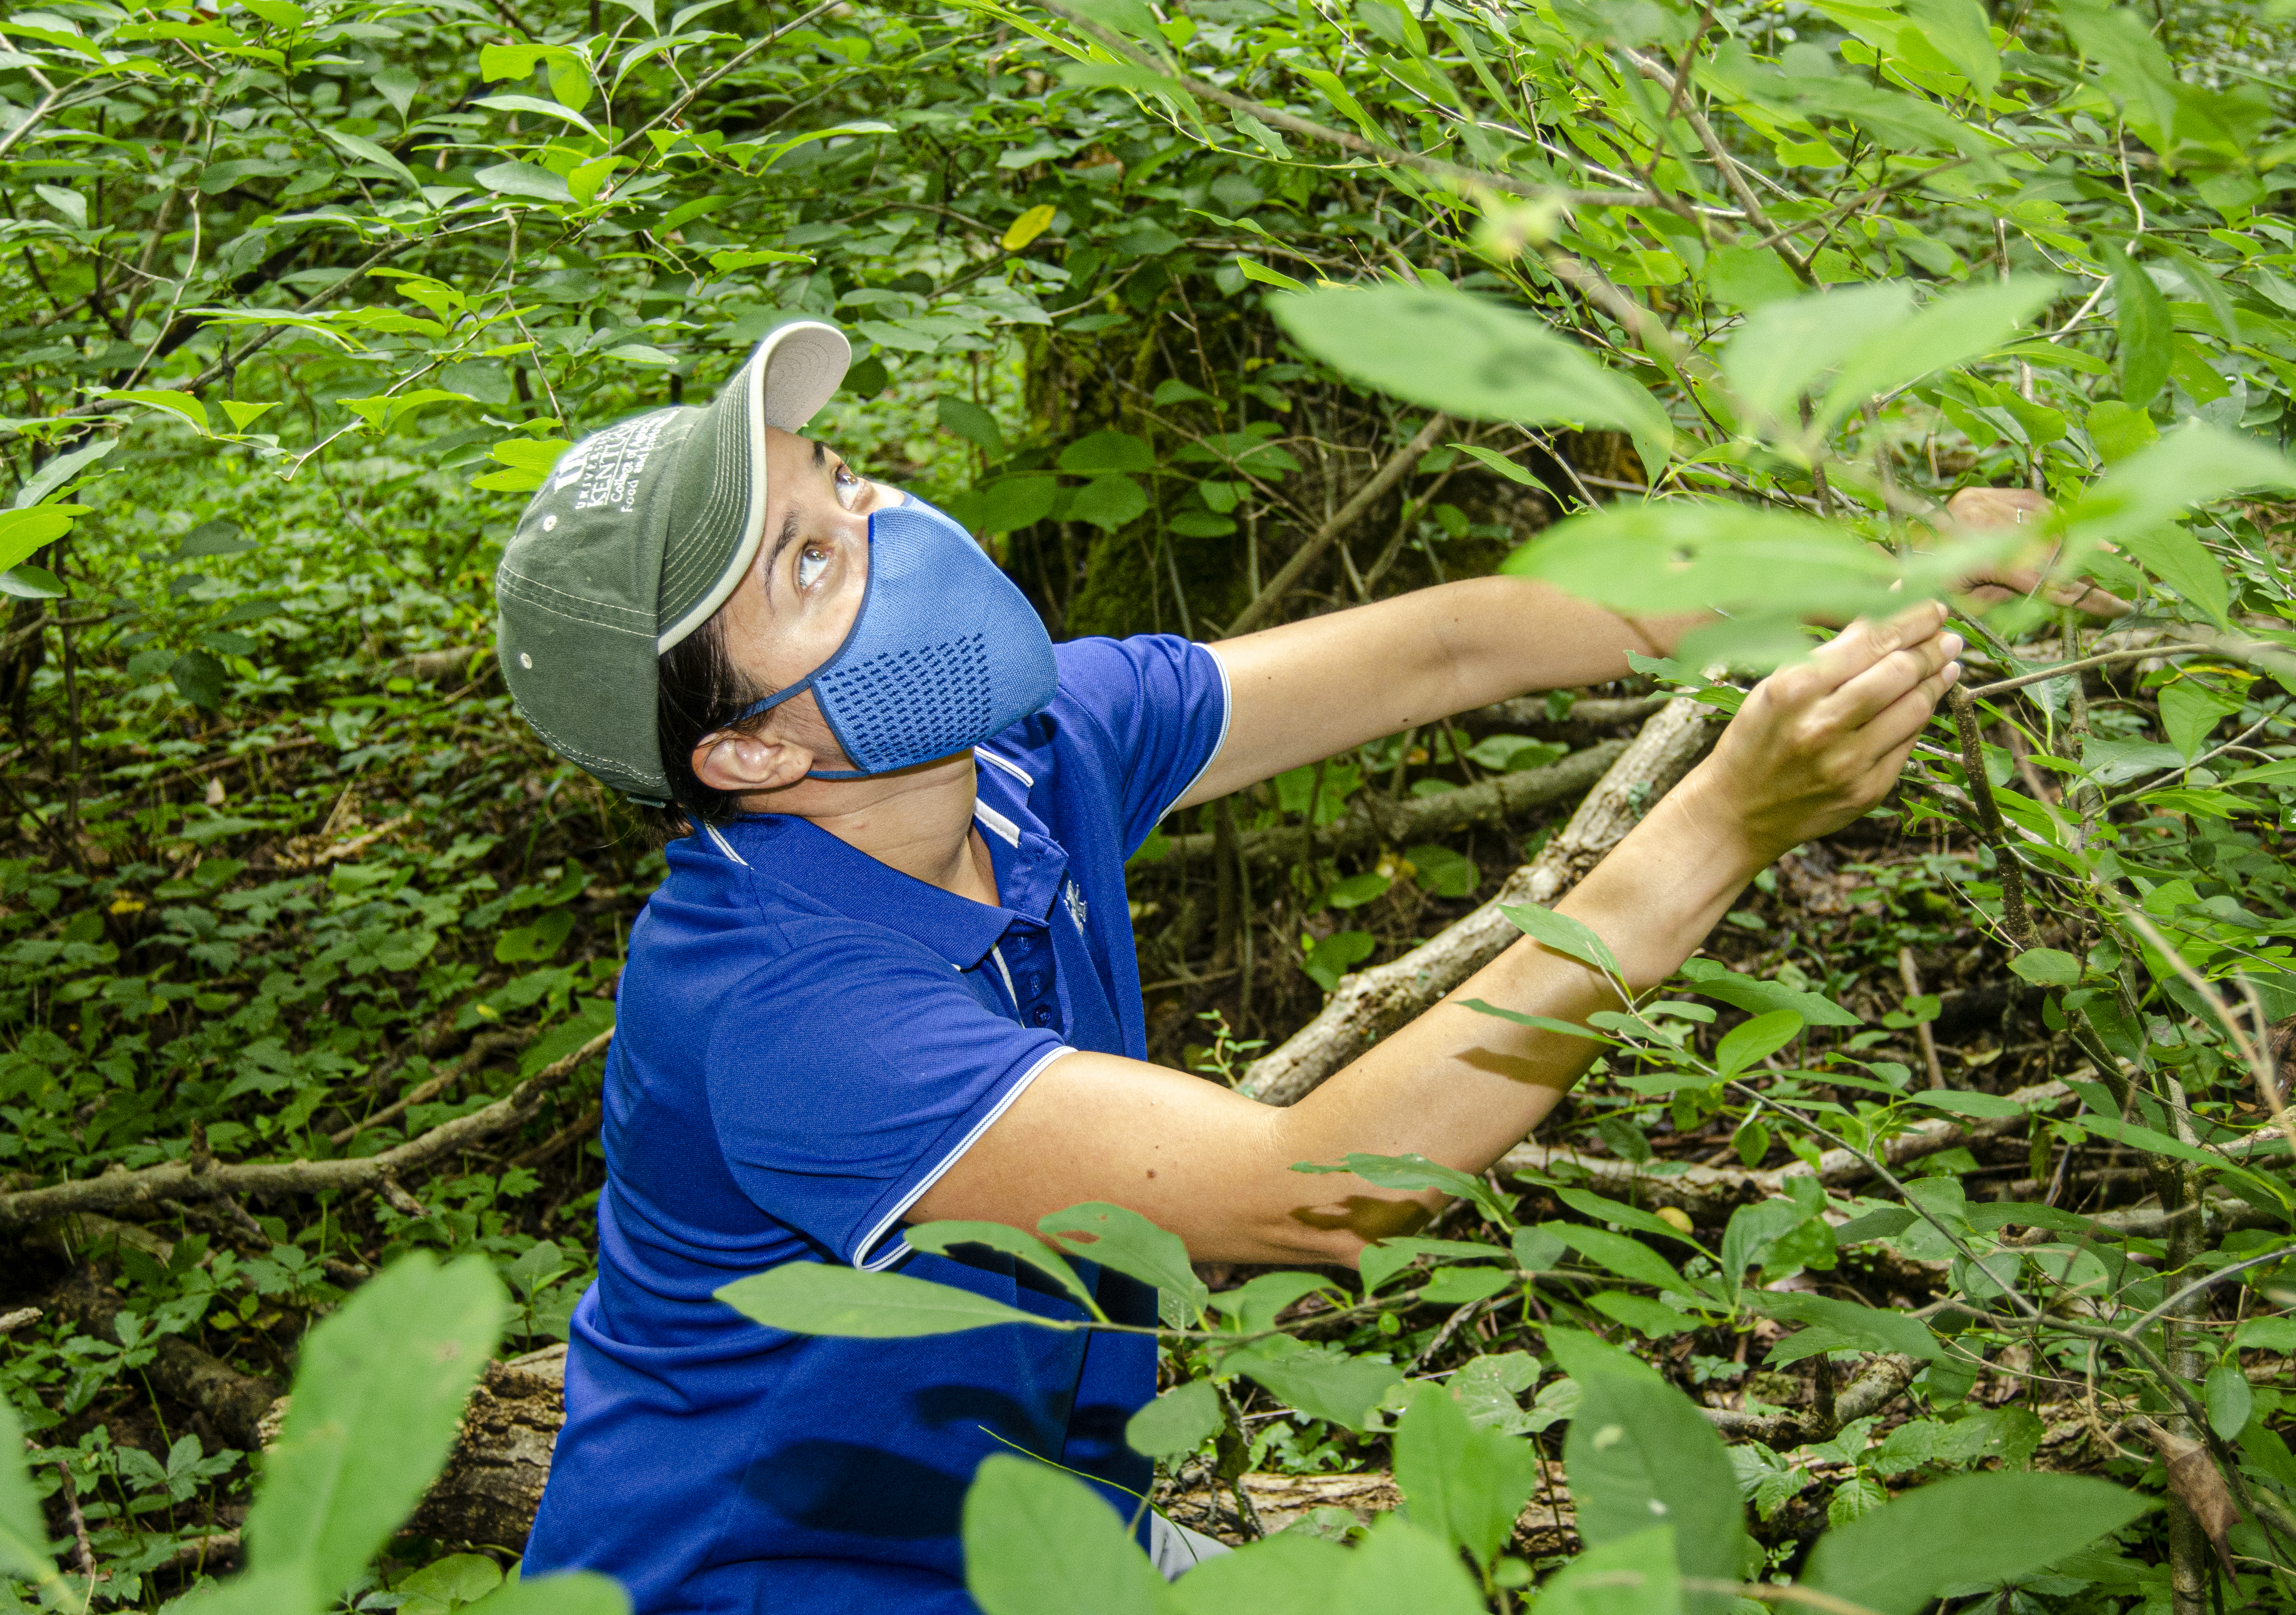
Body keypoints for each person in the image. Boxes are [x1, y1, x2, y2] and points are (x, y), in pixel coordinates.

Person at [501, 319, 1964, 1613]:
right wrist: (1721, 826)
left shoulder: (1023, 753)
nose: (894, 522)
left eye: (842, 477)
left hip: (1054, 1539)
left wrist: (1895, 569)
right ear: (749, 750)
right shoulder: (783, 1010)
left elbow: (1454, 647)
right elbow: (1334, 1190)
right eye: (812, 559)